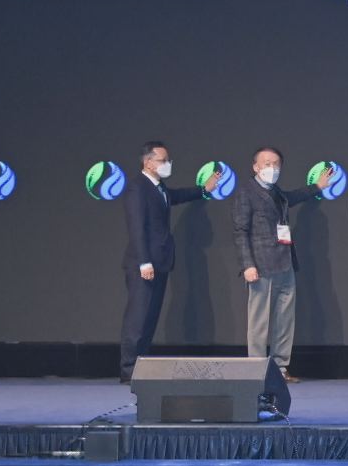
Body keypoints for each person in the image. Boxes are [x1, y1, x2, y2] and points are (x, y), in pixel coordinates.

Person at [119, 140, 220, 384]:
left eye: (168, 160)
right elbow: (137, 228)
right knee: (138, 318)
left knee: (150, 318)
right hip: (144, 264)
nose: (167, 164)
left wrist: (203, 189)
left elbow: (176, 196)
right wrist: (144, 262)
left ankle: (141, 367)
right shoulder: (137, 188)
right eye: (163, 160)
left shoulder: (159, 187)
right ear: (148, 162)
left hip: (161, 262)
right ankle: (128, 369)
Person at [231, 147, 332, 383]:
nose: (272, 168)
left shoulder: (276, 192)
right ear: (255, 167)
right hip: (261, 265)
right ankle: (256, 369)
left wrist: (316, 187)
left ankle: (280, 367)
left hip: (285, 262)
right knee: (259, 320)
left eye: (276, 164)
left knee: (284, 319)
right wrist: (248, 265)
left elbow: (291, 197)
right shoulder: (246, 192)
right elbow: (240, 231)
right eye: (267, 163)